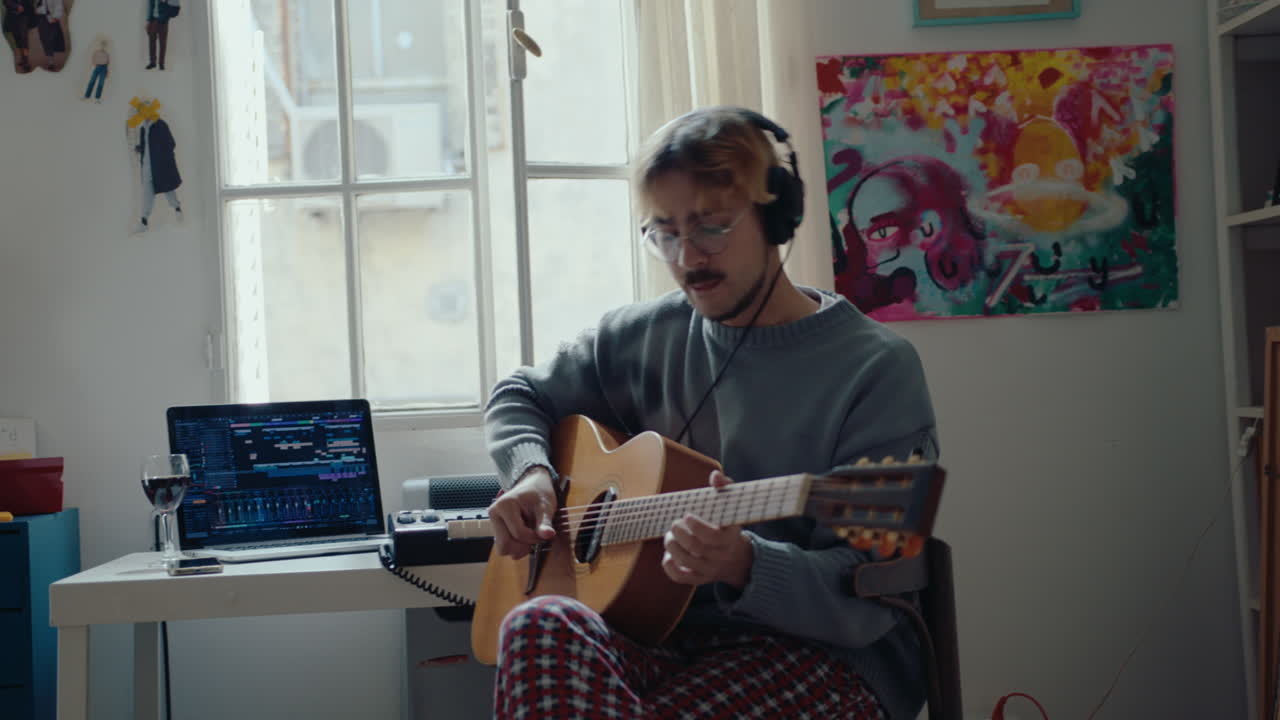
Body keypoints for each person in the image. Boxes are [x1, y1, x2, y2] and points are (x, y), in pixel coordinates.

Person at [483, 106, 939, 719]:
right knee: (537, 624)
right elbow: (520, 394)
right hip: (656, 640)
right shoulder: (640, 336)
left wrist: (746, 562)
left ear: (776, 217)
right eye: (665, 232)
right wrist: (530, 472)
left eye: (711, 226)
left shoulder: (875, 370)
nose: (688, 256)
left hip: (825, 658)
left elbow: (866, 596)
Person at [144, 0, 177, 70]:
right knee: (151, 42)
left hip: (163, 21)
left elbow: (173, 7)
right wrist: (148, 22)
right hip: (153, 20)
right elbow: (149, 8)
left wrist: (166, 2)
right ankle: (153, 62)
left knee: (162, 43)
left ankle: (161, 63)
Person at [3, 0, 33, 74]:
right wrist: (16, 6)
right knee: (17, 38)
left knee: (24, 37)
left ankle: (26, 61)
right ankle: (22, 59)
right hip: (12, 16)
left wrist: (25, 6)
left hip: (24, 15)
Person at [83, 37, 108, 102]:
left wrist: (107, 72)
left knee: (101, 83)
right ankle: (86, 96)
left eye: (104, 45)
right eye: (102, 45)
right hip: (97, 67)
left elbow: (108, 62)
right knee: (92, 81)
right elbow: (93, 59)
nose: (103, 46)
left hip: (104, 68)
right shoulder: (96, 52)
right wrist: (96, 64)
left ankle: (97, 98)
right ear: (100, 45)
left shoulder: (106, 54)